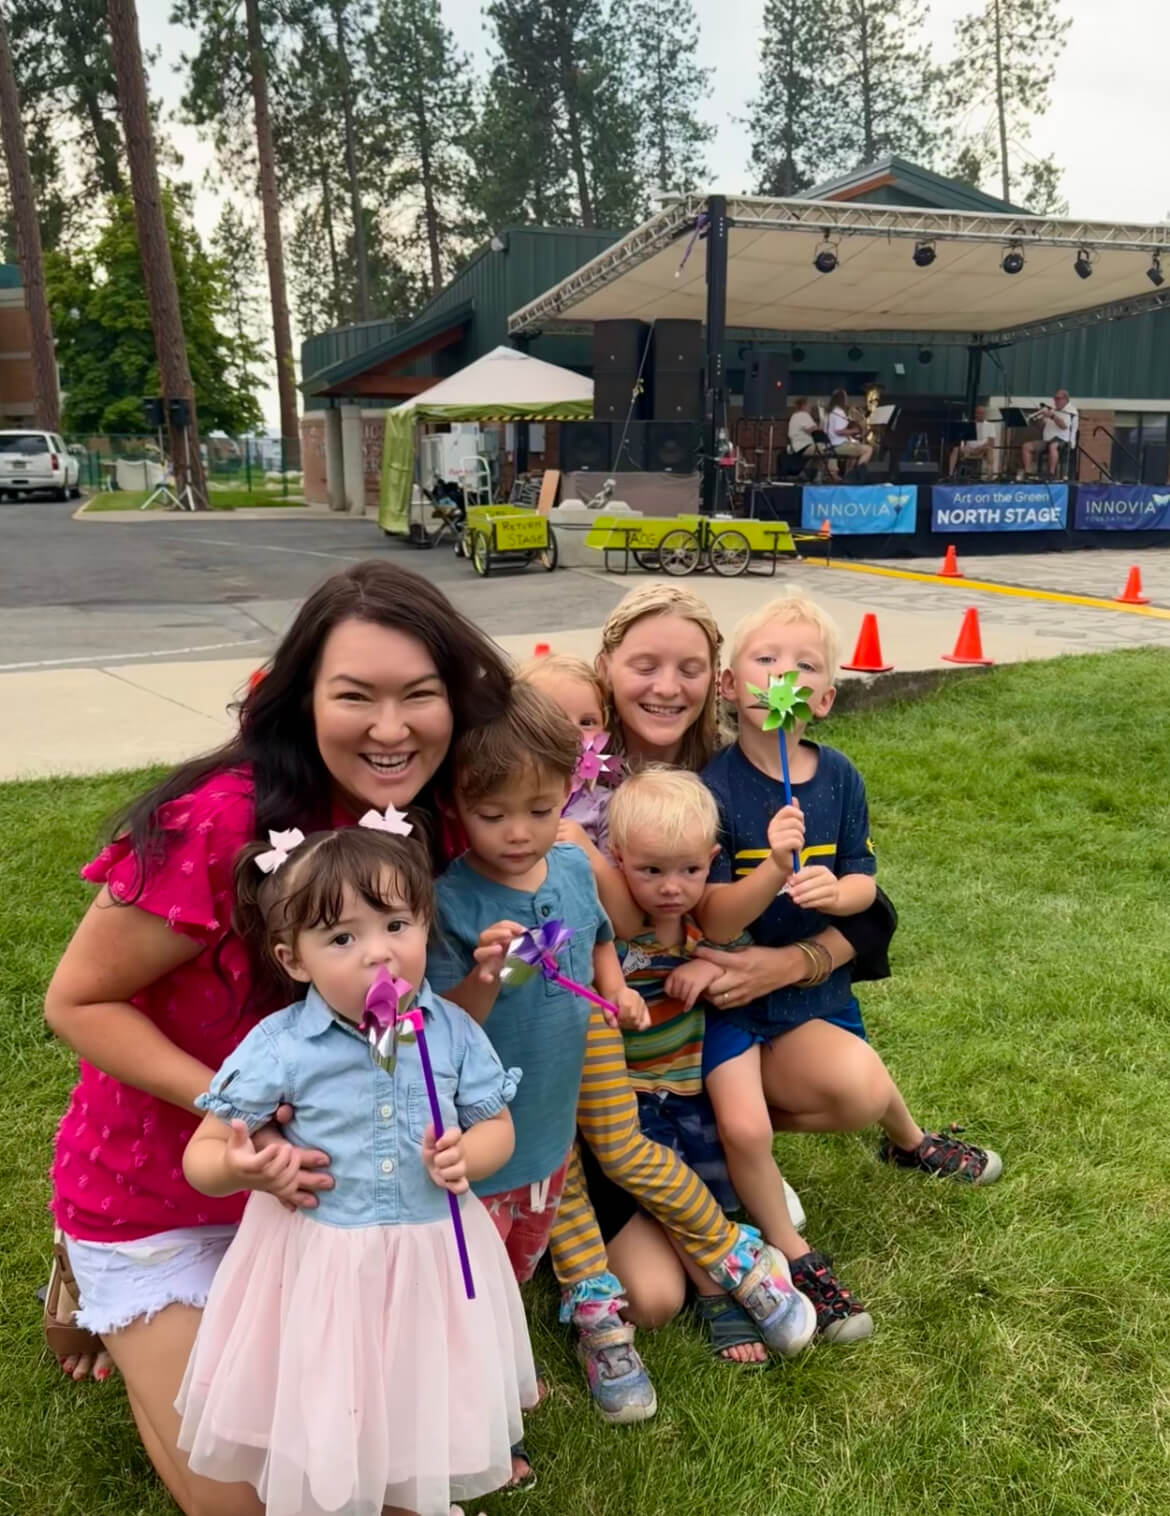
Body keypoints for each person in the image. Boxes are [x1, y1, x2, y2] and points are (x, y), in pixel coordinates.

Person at [42, 560, 512, 1516]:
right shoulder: (219, 823)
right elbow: (78, 1004)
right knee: (254, 1503)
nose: (392, 729)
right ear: (301, 700)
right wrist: (248, 1113)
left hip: (335, 1225)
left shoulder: (433, 815)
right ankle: (93, 1286)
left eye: (420, 695)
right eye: (356, 696)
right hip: (165, 1195)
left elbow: (557, 805)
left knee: (370, 1478)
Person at [429, 685, 816, 1417]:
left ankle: (735, 1259)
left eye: (542, 811)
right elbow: (447, 1021)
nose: (520, 833)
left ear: (569, 795)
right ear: (453, 806)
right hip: (511, 1074)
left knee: (628, 1150)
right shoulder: (452, 899)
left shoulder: (574, 867)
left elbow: (599, 935)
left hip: (593, 1040)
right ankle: (599, 1321)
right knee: (557, 1180)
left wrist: (618, 990)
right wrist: (484, 975)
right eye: (493, 815)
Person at [177, 825, 535, 1516]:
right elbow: (203, 1156)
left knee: (417, 1391)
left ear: (425, 926)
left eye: (397, 924)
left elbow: (497, 1125)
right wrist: (243, 1166)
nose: (378, 952)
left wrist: (472, 1153)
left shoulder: (452, 1030)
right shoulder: (281, 1047)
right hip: (324, 1263)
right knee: (332, 1395)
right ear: (295, 959)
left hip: (430, 1250)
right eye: (342, 938)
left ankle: (410, 1492)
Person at [698, 593, 1002, 1228]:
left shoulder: (839, 776)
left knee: (862, 1086)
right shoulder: (713, 788)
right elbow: (716, 920)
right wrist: (774, 869)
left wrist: (838, 896)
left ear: (827, 698)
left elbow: (865, 882)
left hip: (821, 981)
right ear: (728, 684)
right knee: (778, 1100)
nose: (785, 676)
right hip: (736, 996)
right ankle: (733, 1139)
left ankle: (908, 1140)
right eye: (765, 658)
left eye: (805, 666)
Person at [607, 767, 871, 1351]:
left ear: (711, 859)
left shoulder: (709, 919)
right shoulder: (614, 931)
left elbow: (737, 945)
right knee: (673, 1188)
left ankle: (749, 1256)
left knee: (715, 1181)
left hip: (691, 1084)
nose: (672, 887)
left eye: (690, 870)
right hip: (633, 1097)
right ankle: (713, 1293)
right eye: (651, 870)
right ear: (617, 858)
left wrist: (707, 963)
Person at [520, 653, 615, 852]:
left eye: (587, 722)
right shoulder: (503, 796)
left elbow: (617, 884)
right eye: (556, 719)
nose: (575, 734)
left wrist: (587, 850)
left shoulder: (604, 805)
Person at [1021, 389, 1078, 478]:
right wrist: (1037, 420)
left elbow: (1064, 426)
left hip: (1064, 440)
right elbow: (1042, 427)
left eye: (1058, 398)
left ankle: (1051, 473)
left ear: (1065, 399)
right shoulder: (1053, 409)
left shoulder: (1071, 411)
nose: (1055, 401)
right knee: (1026, 446)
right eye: (1054, 398)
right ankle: (1028, 473)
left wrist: (1052, 416)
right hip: (1047, 440)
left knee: (1053, 445)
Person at [825, 388, 873, 478]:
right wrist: (855, 431)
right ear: (842, 399)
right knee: (868, 449)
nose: (847, 399)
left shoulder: (829, 412)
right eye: (845, 397)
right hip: (838, 446)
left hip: (830, 445)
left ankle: (848, 476)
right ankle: (857, 475)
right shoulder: (839, 412)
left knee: (853, 454)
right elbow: (839, 431)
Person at [948, 403, 997, 478]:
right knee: (955, 448)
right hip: (968, 449)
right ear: (975, 414)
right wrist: (962, 447)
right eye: (979, 413)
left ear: (985, 414)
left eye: (982, 413)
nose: (980, 415)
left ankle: (989, 477)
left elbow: (991, 443)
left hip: (982, 450)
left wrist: (980, 448)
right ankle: (950, 474)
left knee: (990, 449)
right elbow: (961, 439)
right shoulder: (968, 424)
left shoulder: (990, 425)